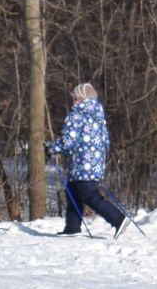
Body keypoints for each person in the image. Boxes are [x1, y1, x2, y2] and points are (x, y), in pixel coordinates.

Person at [48, 82, 127, 237]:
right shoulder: (98, 116)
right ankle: (72, 228)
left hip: (81, 165)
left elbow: (68, 141)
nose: (73, 102)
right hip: (93, 164)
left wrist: (51, 148)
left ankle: (118, 219)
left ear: (80, 98)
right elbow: (106, 141)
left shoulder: (76, 114)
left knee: (89, 195)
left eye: (75, 98)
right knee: (73, 192)